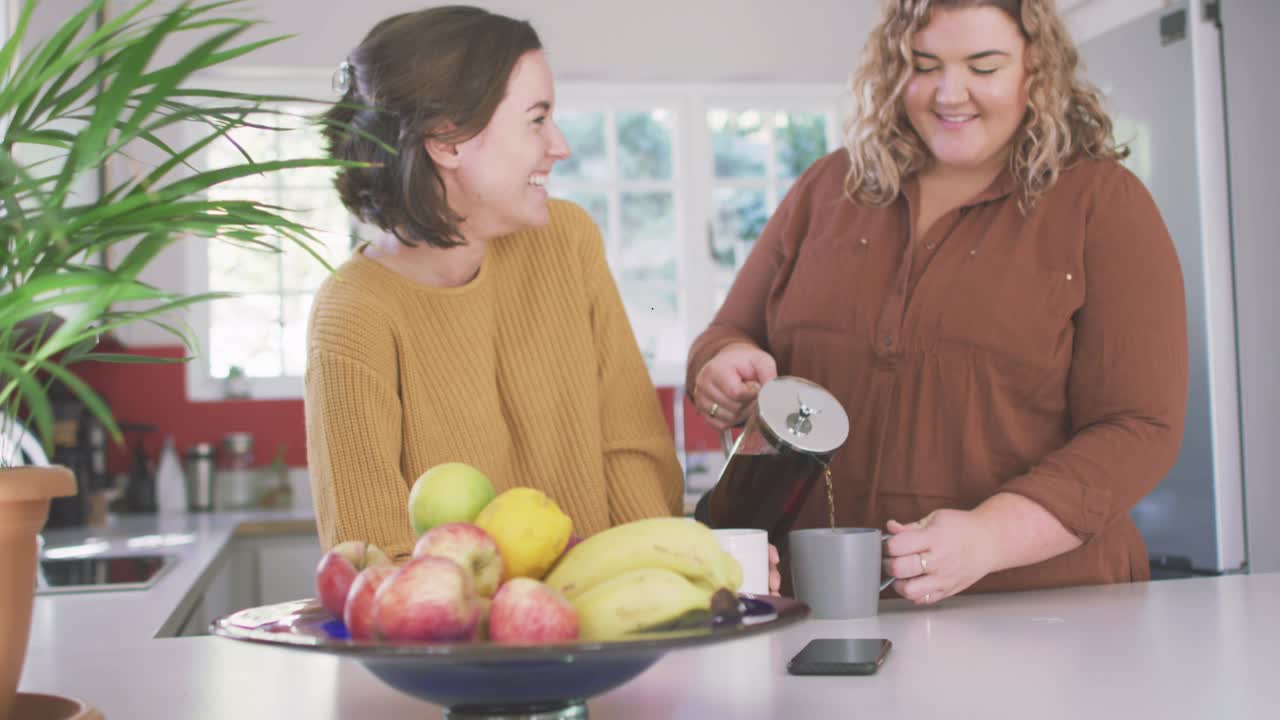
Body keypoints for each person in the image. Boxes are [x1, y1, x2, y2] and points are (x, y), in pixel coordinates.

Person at [688, 0, 1187, 604]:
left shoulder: (1103, 205)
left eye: (984, 66)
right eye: (925, 66)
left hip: (1043, 609)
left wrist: (990, 537)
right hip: (816, 607)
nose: (950, 94)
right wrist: (723, 366)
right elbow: (728, 333)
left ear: (1037, 67)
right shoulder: (827, 189)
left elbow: (1140, 427)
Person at [305, 6, 684, 563]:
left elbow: (629, 448)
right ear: (447, 139)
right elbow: (374, 557)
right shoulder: (355, 311)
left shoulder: (567, 240)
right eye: (536, 119)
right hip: (455, 644)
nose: (559, 145)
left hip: (613, 621)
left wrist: (666, 579)